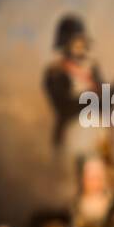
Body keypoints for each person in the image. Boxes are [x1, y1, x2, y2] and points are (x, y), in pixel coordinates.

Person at [42, 14, 104, 153]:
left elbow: (105, 99)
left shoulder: (92, 68)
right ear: (66, 44)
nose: (80, 45)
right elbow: (63, 107)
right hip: (72, 133)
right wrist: (91, 98)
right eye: (76, 41)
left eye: (81, 40)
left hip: (97, 133)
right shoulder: (55, 72)